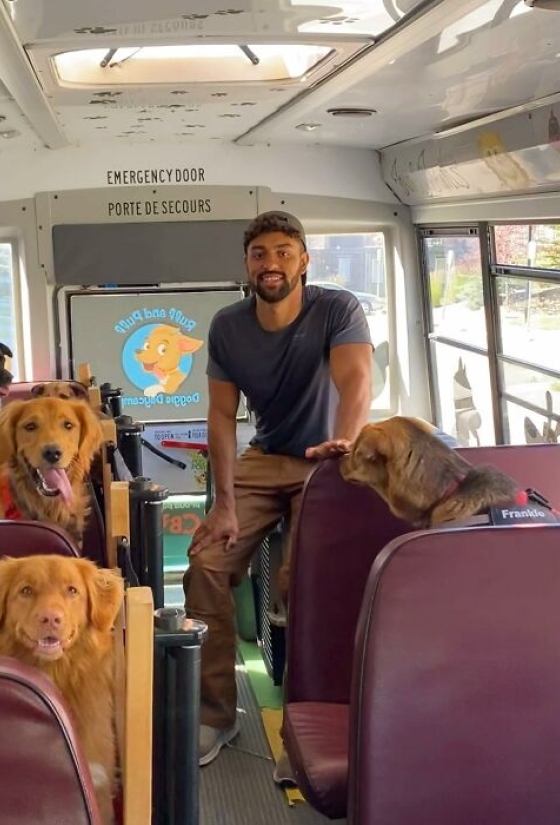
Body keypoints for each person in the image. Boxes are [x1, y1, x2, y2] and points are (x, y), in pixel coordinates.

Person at [183, 210, 374, 766]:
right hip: (267, 458)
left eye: (284, 253)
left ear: (304, 261)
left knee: (306, 579)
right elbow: (220, 418)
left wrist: (344, 443)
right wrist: (222, 506)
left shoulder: (336, 309)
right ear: (247, 264)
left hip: (330, 457)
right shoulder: (228, 326)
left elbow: (356, 379)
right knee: (205, 566)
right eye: (261, 254)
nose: (272, 264)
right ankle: (216, 716)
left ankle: (321, 712)